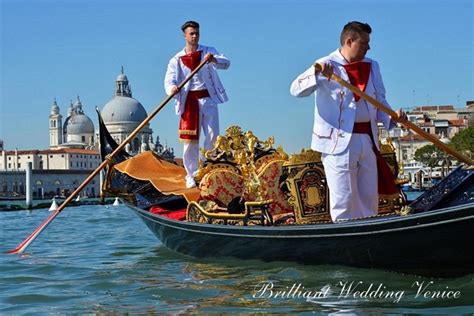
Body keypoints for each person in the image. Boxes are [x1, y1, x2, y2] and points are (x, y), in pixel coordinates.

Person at [290, 21, 406, 222]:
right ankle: (345, 241)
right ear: (349, 41)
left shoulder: (372, 66)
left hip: (367, 140)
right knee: (343, 199)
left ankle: (368, 239)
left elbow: (379, 100)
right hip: (338, 142)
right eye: (364, 43)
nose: (368, 47)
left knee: (369, 198)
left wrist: (392, 116)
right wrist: (316, 74)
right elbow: (296, 89)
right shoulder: (325, 64)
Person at [164, 21, 230, 188]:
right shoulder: (176, 59)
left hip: (208, 99)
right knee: (190, 140)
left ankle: (208, 168)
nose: (195, 36)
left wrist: (213, 59)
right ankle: (191, 174)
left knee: (213, 135)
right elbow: (169, 80)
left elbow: (226, 63)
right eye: (191, 33)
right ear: (185, 35)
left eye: (197, 33)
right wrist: (172, 88)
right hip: (189, 102)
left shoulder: (208, 51)